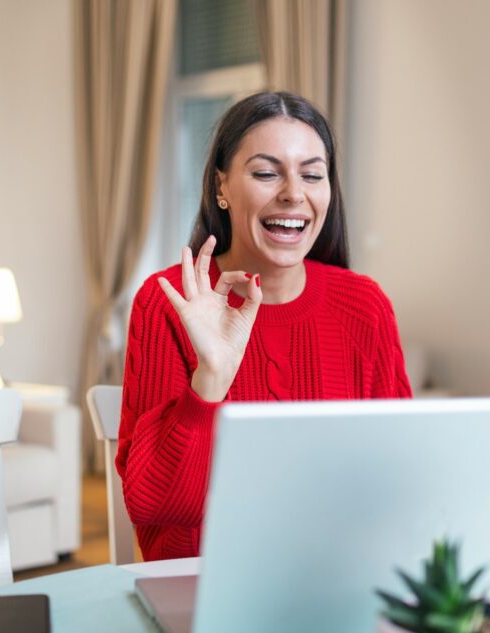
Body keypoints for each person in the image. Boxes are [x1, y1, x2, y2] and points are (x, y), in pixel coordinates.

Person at [117, 91, 413, 561]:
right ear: (222, 187)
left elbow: (399, 477)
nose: (293, 193)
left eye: (312, 174)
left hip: (336, 576)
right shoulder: (169, 301)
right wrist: (209, 380)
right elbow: (155, 507)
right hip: (205, 585)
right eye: (265, 172)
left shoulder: (364, 306)